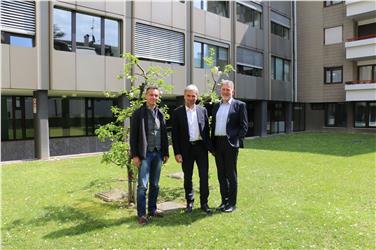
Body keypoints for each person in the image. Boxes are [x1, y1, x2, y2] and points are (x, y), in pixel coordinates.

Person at [130, 86, 169, 225]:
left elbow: (164, 135)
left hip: (158, 154)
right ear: (146, 96)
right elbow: (133, 136)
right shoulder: (138, 114)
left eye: (156, 95)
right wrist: (135, 155)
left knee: (155, 184)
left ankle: (152, 209)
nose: (153, 97)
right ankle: (142, 214)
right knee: (142, 186)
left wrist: (165, 152)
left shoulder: (160, 114)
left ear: (158, 98)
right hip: (144, 154)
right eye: (151, 95)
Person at [172, 84, 213, 214]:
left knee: (204, 176)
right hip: (186, 149)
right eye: (188, 95)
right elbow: (175, 135)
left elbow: (207, 131)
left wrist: (210, 147)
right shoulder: (177, 112)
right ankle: (189, 202)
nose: (191, 98)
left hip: (201, 148)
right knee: (188, 177)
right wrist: (177, 152)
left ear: (197, 96)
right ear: (184, 96)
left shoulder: (203, 111)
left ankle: (204, 203)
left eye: (193, 96)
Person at [211, 80, 248, 213]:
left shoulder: (240, 105)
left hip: (230, 144)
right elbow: (213, 125)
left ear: (233, 91)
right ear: (220, 91)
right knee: (221, 174)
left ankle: (232, 203)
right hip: (217, 143)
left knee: (231, 174)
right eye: (223, 89)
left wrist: (235, 141)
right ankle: (224, 201)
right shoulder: (216, 105)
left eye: (228, 89)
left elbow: (244, 126)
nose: (225, 92)